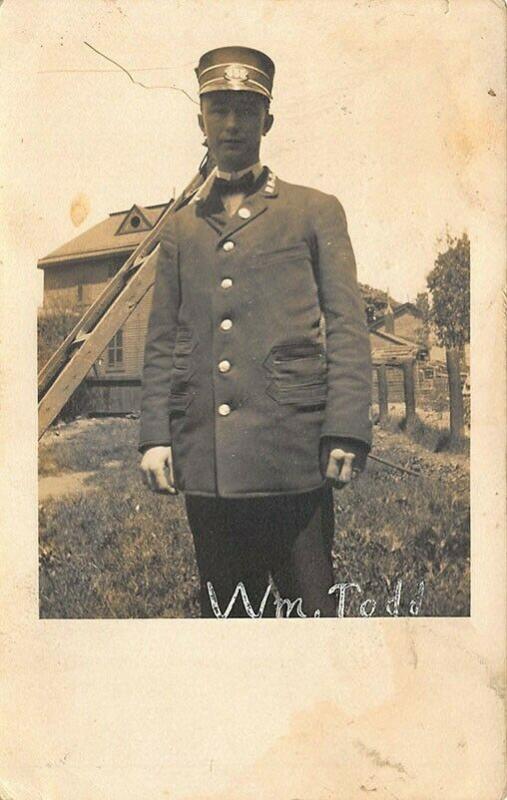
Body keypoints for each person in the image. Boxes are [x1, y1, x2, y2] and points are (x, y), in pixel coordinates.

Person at [139, 46, 372, 618]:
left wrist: (345, 427)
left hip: (292, 461)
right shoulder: (179, 232)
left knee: (311, 614)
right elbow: (162, 340)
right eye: (218, 108)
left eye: (246, 109)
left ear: (267, 120)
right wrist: (154, 436)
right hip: (209, 470)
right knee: (228, 619)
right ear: (200, 120)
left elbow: (346, 324)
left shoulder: (314, 211)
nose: (232, 124)